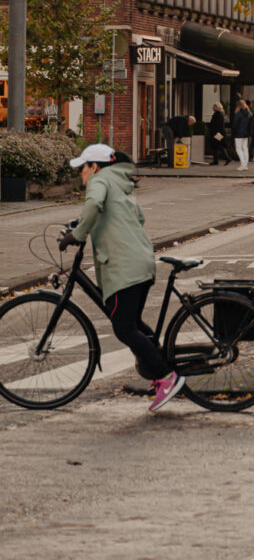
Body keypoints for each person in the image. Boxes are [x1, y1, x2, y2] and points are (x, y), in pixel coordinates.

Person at [59, 144, 186, 413]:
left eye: (83, 167)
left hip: (124, 267)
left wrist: (78, 234)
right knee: (135, 324)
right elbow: (136, 216)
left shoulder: (99, 181)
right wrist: (81, 222)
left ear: (95, 167)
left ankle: (166, 377)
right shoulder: (120, 181)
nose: (81, 174)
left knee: (123, 328)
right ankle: (158, 370)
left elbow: (94, 203)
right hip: (141, 261)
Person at [206, 101, 232, 166]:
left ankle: (226, 158)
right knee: (216, 146)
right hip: (218, 133)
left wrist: (215, 133)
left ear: (217, 107)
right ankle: (216, 160)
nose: (213, 107)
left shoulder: (218, 114)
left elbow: (217, 125)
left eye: (214, 106)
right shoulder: (220, 114)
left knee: (219, 146)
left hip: (217, 134)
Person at [232, 99, 252, 169]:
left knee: (238, 149)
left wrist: (233, 132)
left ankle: (243, 164)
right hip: (246, 133)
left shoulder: (238, 114)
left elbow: (235, 125)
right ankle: (245, 163)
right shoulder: (249, 113)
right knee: (245, 148)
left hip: (238, 133)